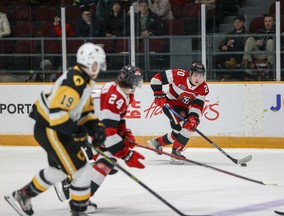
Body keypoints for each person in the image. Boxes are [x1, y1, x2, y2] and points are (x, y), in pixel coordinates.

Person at [4, 42, 107, 216]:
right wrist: (77, 133)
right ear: (89, 62)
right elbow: (57, 115)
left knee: (60, 171)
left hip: (56, 128)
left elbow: (85, 111)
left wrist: (95, 128)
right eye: (97, 63)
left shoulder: (86, 80)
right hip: (51, 129)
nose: (100, 67)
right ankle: (79, 208)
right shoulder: (74, 82)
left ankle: (22, 195)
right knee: (82, 171)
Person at [53, 65, 145, 213]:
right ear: (129, 81)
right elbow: (108, 134)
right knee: (108, 159)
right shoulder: (116, 97)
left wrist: (123, 133)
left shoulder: (122, 92)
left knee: (110, 163)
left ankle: (70, 181)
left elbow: (117, 119)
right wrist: (126, 154)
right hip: (73, 125)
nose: (137, 85)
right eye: (135, 81)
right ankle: (80, 199)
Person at [147, 62, 209, 164]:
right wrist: (158, 94)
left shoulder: (203, 88)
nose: (198, 78)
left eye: (201, 76)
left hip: (183, 108)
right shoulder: (178, 74)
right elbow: (156, 79)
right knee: (183, 127)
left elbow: (197, 105)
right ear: (190, 74)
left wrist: (193, 118)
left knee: (183, 130)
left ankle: (157, 142)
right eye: (196, 75)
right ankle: (176, 154)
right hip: (170, 103)